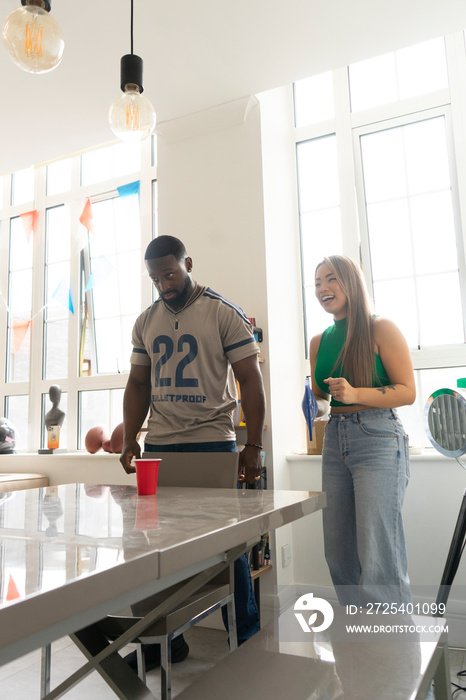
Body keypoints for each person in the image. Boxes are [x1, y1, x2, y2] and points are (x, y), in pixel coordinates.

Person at [120, 235, 265, 670]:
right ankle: (164, 642)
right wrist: (130, 438)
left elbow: (251, 382)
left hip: (211, 441)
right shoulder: (145, 321)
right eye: (155, 278)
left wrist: (252, 445)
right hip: (161, 444)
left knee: (226, 548)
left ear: (187, 263)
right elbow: (138, 383)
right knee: (155, 549)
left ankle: (246, 640)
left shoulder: (222, 312)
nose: (163, 284)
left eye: (169, 273)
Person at [309, 255, 415, 607]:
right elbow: (324, 399)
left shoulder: (380, 328)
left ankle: (390, 648)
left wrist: (355, 394)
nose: (323, 288)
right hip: (334, 439)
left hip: (378, 438)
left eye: (331, 279)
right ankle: (359, 641)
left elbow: (407, 391)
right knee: (338, 550)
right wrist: (316, 405)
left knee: (377, 553)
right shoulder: (318, 342)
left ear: (351, 281)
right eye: (317, 282)